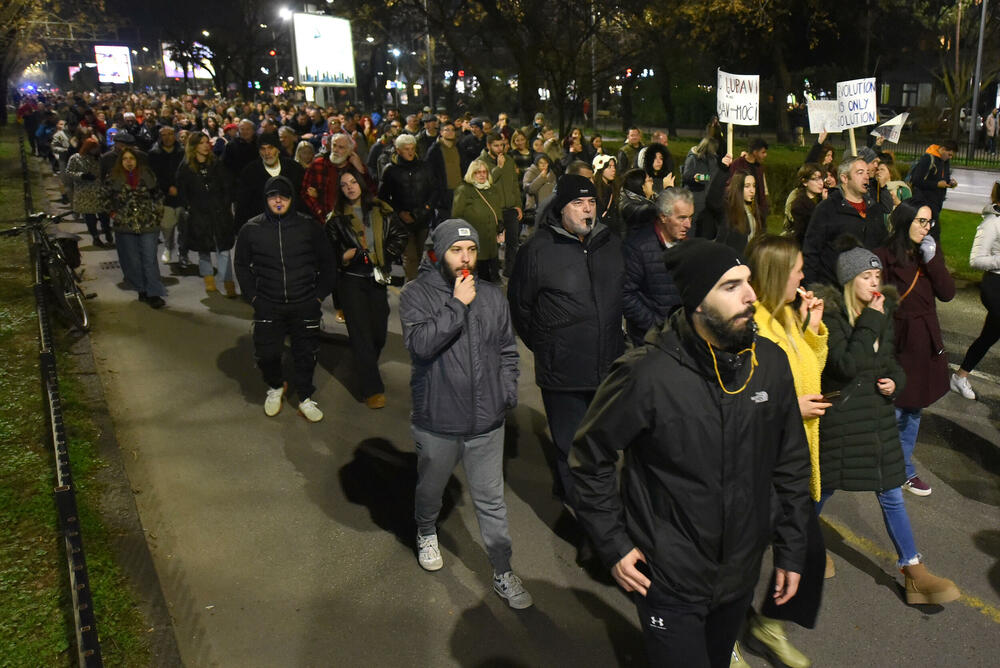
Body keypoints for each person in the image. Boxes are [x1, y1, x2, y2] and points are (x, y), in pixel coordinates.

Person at [571, 239, 812, 668]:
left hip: (739, 574)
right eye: (731, 286)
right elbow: (590, 458)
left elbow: (790, 461)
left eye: (749, 283)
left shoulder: (770, 364)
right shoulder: (647, 373)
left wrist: (793, 549)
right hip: (669, 578)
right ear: (698, 302)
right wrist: (613, 544)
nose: (751, 295)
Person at [813, 245, 959, 605]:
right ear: (850, 281)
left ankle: (913, 570)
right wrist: (873, 321)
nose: (874, 283)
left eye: (877, 276)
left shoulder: (880, 313)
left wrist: (896, 382)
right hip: (844, 421)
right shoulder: (832, 318)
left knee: (892, 492)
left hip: (876, 420)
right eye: (866, 277)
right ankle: (798, 543)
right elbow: (846, 365)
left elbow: (890, 363)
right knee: (821, 489)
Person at [398, 219, 532, 610]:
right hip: (438, 420)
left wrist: (506, 394)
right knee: (431, 489)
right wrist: (457, 304)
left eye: (471, 250)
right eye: (457, 251)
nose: (466, 258)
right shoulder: (416, 294)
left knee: (491, 501)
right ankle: (426, 529)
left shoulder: (492, 295)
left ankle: (503, 570)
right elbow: (420, 345)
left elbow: (508, 350)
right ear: (438, 253)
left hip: (487, 422)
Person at [508, 174, 624, 507]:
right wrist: (548, 345)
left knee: (599, 446)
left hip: (606, 367)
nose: (587, 210)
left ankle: (578, 493)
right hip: (563, 371)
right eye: (578, 203)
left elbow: (622, 296)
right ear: (561, 209)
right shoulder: (537, 251)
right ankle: (585, 517)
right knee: (571, 446)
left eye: (591, 203)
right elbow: (521, 307)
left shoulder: (610, 244)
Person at [742, 235, 830, 667]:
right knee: (738, 561)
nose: (803, 275)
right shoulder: (750, 322)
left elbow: (810, 372)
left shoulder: (787, 318)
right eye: (796, 268)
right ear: (778, 273)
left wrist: (812, 326)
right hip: (758, 462)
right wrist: (790, 407)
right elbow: (740, 396)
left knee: (809, 553)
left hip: (793, 460)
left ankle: (769, 625)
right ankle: (723, 644)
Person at [234, 176, 336, 423]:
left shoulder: (309, 227)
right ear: (265, 199)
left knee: (306, 353)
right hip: (269, 303)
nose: (278, 200)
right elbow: (241, 265)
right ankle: (276, 386)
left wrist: (318, 295)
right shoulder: (251, 229)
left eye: (283, 196)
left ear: (291, 199)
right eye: (272, 196)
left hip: (304, 303)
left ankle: (304, 397)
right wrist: (254, 298)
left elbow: (328, 263)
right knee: (267, 353)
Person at [875, 200, 955, 496]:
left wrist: (933, 260)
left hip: (925, 341)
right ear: (904, 221)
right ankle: (886, 466)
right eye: (921, 221)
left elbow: (947, 293)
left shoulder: (928, 254)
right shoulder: (882, 256)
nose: (926, 228)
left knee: (914, 410)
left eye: (929, 222)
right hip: (898, 341)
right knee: (895, 408)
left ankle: (904, 468)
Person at [325, 169, 408, 408]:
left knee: (378, 333)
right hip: (351, 280)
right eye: (344, 185)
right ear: (340, 191)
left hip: (377, 279)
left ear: (361, 184)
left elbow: (400, 235)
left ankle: (365, 363)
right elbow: (328, 252)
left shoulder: (380, 210)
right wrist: (344, 255)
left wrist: (385, 255)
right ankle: (372, 388)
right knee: (361, 335)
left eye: (353, 182)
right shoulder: (336, 218)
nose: (350, 187)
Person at [803, 156, 889, 286]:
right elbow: (812, 250)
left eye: (867, 172)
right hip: (835, 288)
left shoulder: (874, 209)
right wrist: (812, 287)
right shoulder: (827, 208)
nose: (866, 177)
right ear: (844, 178)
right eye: (860, 173)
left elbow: (883, 246)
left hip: (869, 288)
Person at [621, 187, 691, 346]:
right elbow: (626, 295)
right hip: (650, 341)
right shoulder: (638, 246)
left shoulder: (689, 244)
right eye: (681, 218)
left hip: (683, 338)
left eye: (690, 217)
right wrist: (658, 326)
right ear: (663, 217)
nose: (688, 224)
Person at [103, 148, 167, 308]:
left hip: (148, 223)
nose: (129, 161)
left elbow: (158, 195)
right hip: (125, 224)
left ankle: (154, 292)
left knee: (149, 259)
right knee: (132, 259)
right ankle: (141, 289)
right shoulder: (113, 177)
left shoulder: (146, 175)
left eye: (132, 158)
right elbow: (104, 197)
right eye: (125, 159)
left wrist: (157, 213)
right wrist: (114, 214)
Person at [953, 185, 1000, 400]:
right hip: (995, 284)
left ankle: (960, 377)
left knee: (989, 335)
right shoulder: (992, 223)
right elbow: (975, 260)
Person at [176, 132, 237, 297]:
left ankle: (227, 282)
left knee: (223, 249)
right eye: (201, 143)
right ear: (194, 146)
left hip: (219, 213)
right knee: (204, 249)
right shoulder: (186, 167)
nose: (205, 145)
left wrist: (225, 206)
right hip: (199, 214)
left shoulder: (216, 164)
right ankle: (209, 280)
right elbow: (183, 192)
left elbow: (226, 187)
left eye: (206, 142)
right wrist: (191, 208)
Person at [377, 134, 436, 282]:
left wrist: (424, 210)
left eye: (412, 148)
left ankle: (415, 284)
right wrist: (399, 213)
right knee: (410, 258)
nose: (410, 152)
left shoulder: (425, 167)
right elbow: (383, 197)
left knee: (418, 253)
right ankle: (412, 289)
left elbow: (434, 191)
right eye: (406, 149)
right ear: (398, 150)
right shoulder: (390, 170)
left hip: (422, 219)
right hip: (402, 222)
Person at [235, 133, 305, 230]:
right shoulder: (250, 172)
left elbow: (302, 198)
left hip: (292, 226)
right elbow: (243, 204)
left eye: (270, 148)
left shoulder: (294, 168)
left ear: (278, 149)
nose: (267, 152)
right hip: (261, 229)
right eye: (263, 149)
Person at [451, 159, 505, 282]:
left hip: (491, 237)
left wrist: (500, 222)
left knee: (490, 267)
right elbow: (456, 215)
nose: (481, 175)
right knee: (477, 270)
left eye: (484, 172)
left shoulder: (492, 189)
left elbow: (497, 209)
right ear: (471, 174)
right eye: (477, 172)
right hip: (474, 237)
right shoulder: (464, 190)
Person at [301, 132, 375, 223]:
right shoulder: (318, 165)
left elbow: (371, 194)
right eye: (334, 145)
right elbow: (306, 193)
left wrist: (361, 170)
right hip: (323, 222)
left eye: (341, 147)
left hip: (352, 222)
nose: (335, 150)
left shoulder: (356, 167)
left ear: (349, 151)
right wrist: (320, 212)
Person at [479, 133, 523, 277]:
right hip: (492, 209)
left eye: (502, 145)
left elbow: (515, 185)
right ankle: (492, 274)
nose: (499, 149)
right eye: (496, 145)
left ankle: (510, 272)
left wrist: (518, 205)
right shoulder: (480, 162)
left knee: (513, 242)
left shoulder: (509, 160)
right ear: (488, 146)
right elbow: (484, 183)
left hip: (510, 208)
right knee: (493, 244)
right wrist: (498, 167)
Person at [148, 126, 188, 264]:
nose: (167, 137)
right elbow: (153, 176)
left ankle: (183, 253)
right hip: (164, 197)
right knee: (167, 226)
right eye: (164, 135)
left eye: (170, 134)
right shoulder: (154, 153)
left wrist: (178, 187)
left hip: (182, 195)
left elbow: (186, 173)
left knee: (184, 226)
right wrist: (167, 187)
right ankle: (168, 247)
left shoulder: (183, 152)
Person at [66, 136, 114, 248]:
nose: (97, 150)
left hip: (99, 191)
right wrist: (82, 176)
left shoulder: (100, 158)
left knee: (104, 215)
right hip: (85, 192)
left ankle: (107, 231)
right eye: (94, 148)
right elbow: (69, 172)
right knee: (90, 218)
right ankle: (95, 237)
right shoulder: (76, 158)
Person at [907, 141, 957, 237]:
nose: (950, 157)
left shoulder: (945, 162)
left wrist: (950, 183)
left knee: (929, 232)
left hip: (936, 202)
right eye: (949, 154)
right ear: (943, 149)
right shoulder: (927, 159)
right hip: (925, 200)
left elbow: (944, 178)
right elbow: (916, 181)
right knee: (933, 233)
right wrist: (936, 184)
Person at [425, 121, 463, 223]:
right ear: (441, 132)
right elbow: (429, 172)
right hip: (443, 193)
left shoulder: (459, 147)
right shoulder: (435, 150)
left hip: (459, 191)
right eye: (447, 130)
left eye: (452, 130)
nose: (450, 132)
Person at [783, 163, 827, 246]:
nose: (821, 183)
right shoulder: (799, 205)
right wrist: (824, 206)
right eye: (815, 179)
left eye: (821, 179)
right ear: (805, 182)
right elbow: (806, 232)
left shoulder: (823, 198)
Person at [729, 138, 770, 220]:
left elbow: (762, 190)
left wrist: (764, 208)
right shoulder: (737, 164)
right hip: (740, 210)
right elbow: (731, 186)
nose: (765, 155)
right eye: (763, 152)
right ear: (755, 152)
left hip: (757, 211)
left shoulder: (759, 168)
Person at [592, 154, 622, 238]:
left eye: (614, 166)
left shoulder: (615, 188)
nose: (613, 170)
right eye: (609, 167)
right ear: (600, 169)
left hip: (613, 232)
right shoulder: (594, 190)